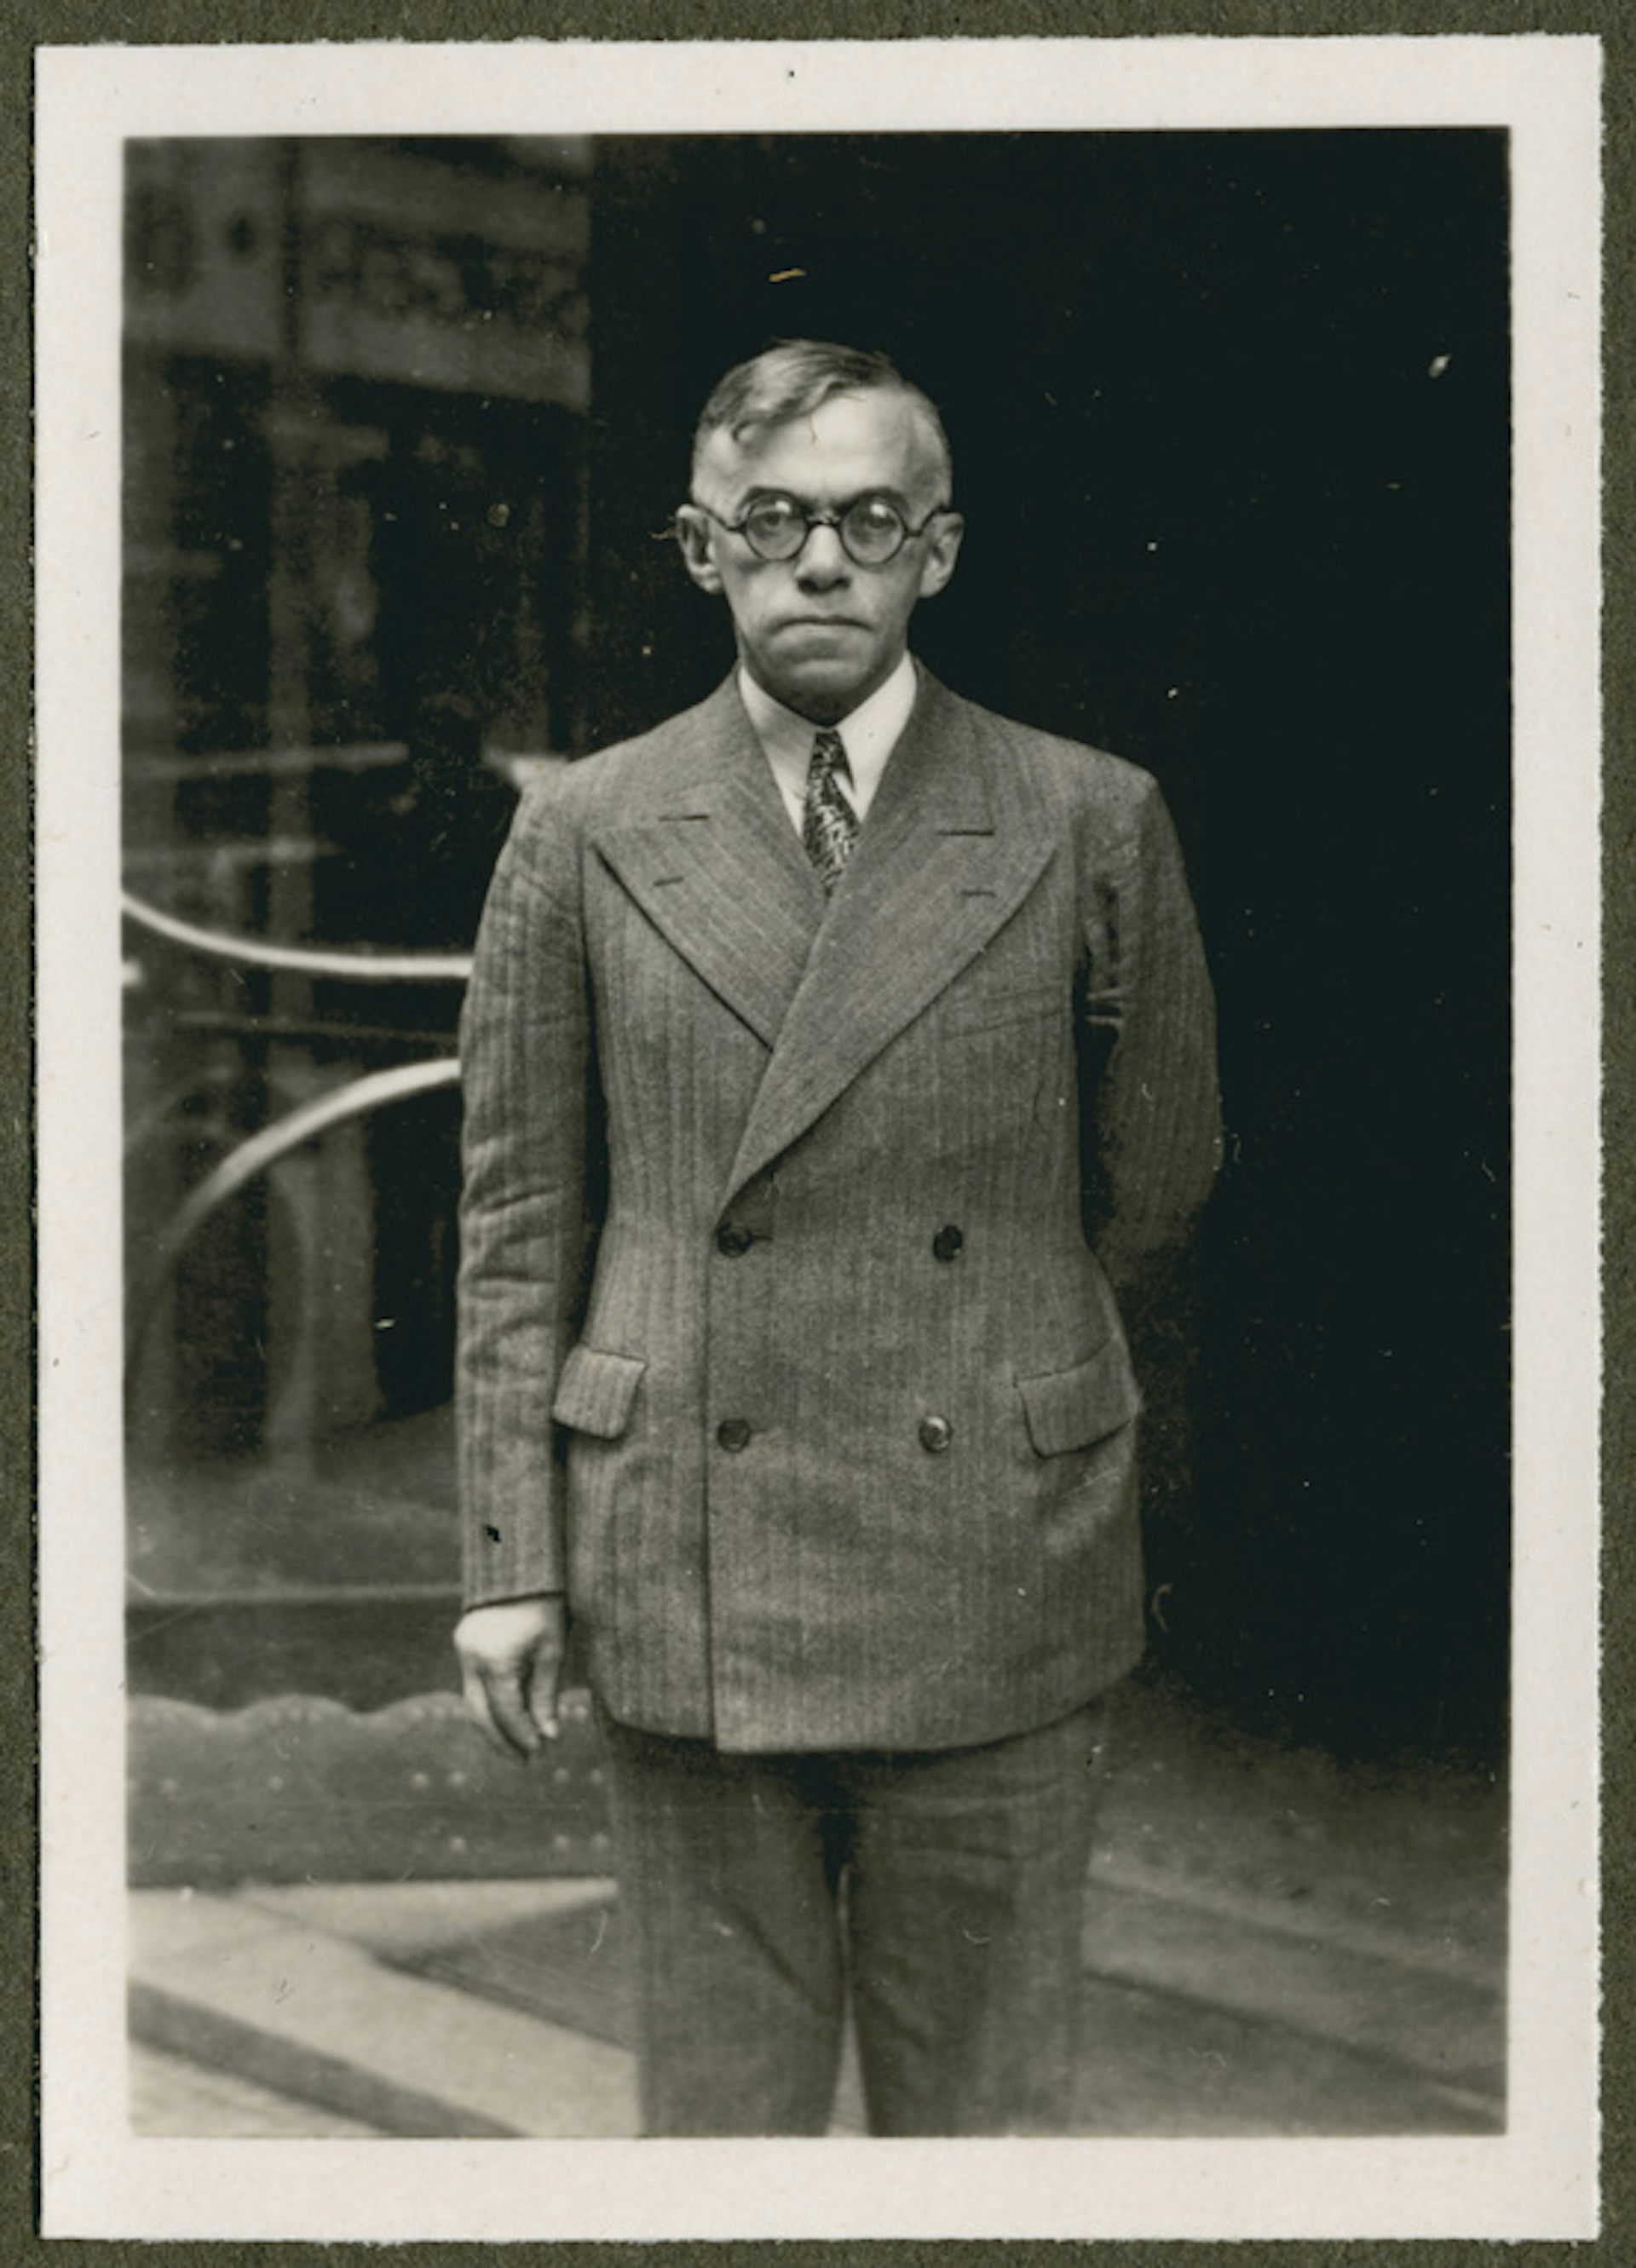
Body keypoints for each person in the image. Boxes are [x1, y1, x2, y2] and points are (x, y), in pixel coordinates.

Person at [453, 339, 1221, 2136]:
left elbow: (1161, 1176)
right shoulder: (585, 825)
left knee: (984, 2126)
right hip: (683, 1558)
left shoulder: (1088, 817)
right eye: (772, 519)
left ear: (937, 551)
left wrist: (999, 1353)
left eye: (870, 521)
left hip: (994, 1559)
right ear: (698, 546)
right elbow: (517, 1214)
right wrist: (505, 1557)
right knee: (722, 2132)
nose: (820, 562)